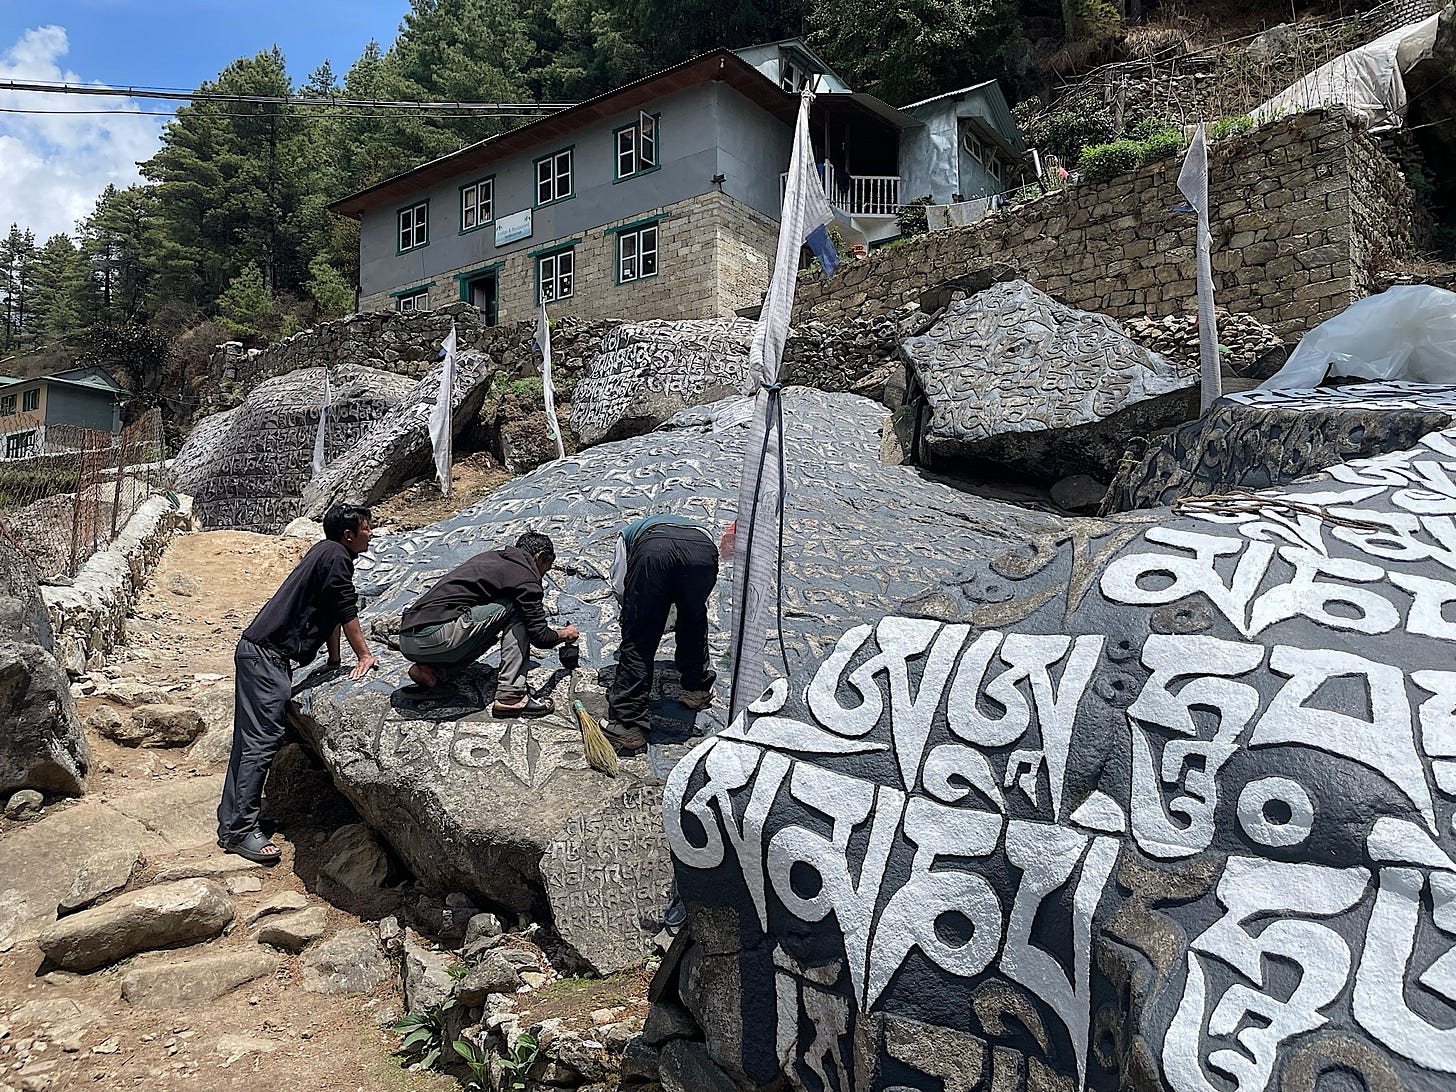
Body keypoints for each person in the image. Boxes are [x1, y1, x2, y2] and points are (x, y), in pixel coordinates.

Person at [217, 503, 380, 865]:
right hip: (266, 658)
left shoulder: (327, 552)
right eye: (366, 528)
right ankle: (241, 831)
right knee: (262, 742)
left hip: (259, 653)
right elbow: (345, 606)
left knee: (249, 741)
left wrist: (335, 660)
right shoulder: (337, 555)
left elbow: (331, 612)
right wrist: (364, 656)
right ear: (348, 535)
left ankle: (233, 821)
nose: (371, 533)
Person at [398, 530, 578, 716]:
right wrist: (565, 634)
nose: (541, 576)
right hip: (437, 635)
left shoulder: (491, 559)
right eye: (546, 568)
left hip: (408, 639)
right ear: (539, 557)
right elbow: (540, 637)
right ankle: (511, 696)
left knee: (489, 629)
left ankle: (430, 671)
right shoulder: (525, 574)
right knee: (517, 608)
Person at [606, 514, 718, 751]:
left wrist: (634, 615)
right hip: (703, 552)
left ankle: (628, 725)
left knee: (639, 638)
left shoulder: (627, 535)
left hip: (654, 553)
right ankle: (695, 689)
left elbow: (619, 584)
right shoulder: (697, 526)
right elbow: (695, 599)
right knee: (694, 620)